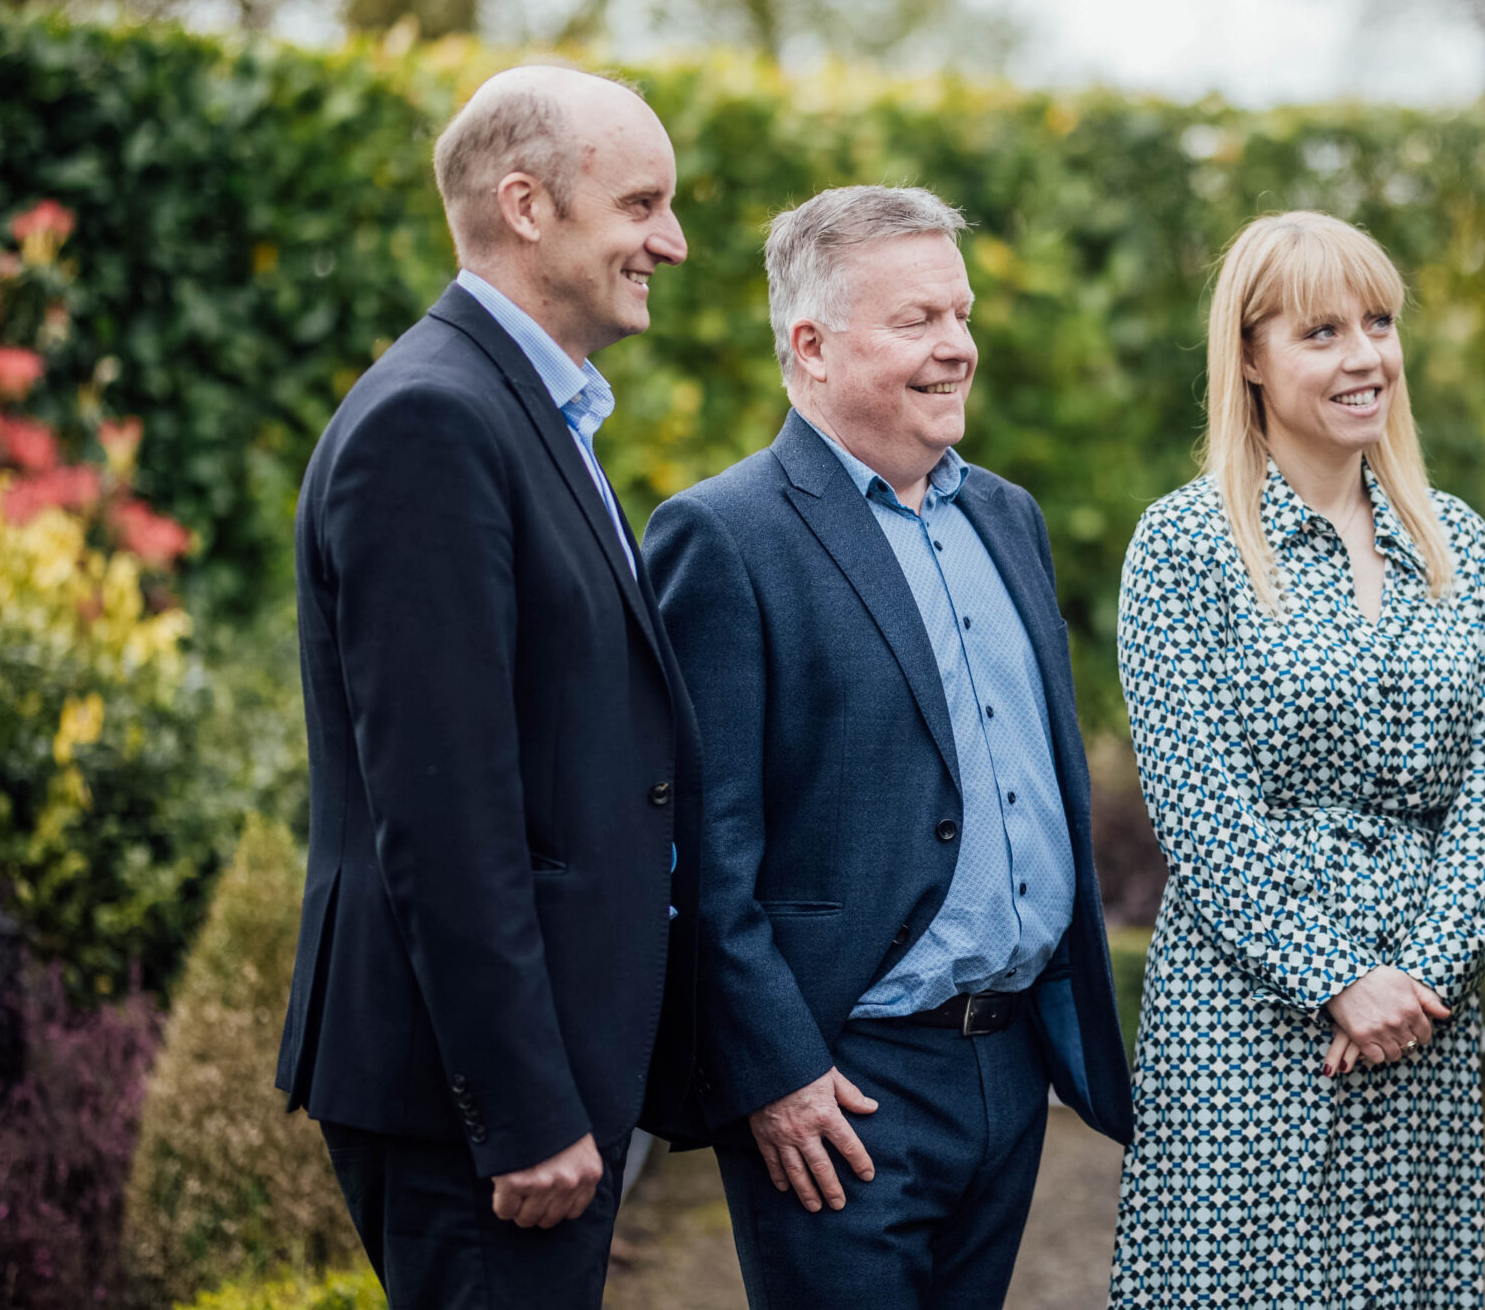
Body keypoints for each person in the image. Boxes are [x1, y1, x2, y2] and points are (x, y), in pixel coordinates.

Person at [645, 184, 1132, 1310]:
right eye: (916, 321)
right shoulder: (724, 535)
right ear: (810, 347)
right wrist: (776, 1076)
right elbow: (703, 854)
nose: (956, 348)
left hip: (1008, 1070)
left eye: (959, 316)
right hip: (841, 1086)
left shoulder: (1006, 517)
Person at [277, 67, 706, 1309]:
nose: (669, 243)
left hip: (541, 1072)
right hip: (474, 1100)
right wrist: (519, 1109)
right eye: (640, 204)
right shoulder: (435, 420)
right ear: (527, 206)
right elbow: (443, 806)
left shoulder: (528, 407)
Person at [1107, 210, 1485, 1310]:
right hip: (1252, 1012)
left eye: (1377, 323)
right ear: (1247, 355)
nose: (1364, 356)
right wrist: (1335, 977)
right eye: (1321, 331)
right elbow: (1200, 811)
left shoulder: (1453, 540)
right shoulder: (1184, 547)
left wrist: (1423, 972)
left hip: (1423, 1012)